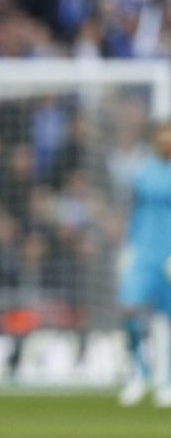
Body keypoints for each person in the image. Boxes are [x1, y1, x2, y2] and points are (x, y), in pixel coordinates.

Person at [117, 122, 171, 408]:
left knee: (168, 318)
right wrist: (128, 246)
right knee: (130, 308)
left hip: (170, 252)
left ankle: (167, 381)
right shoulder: (143, 170)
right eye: (163, 135)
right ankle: (138, 373)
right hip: (142, 251)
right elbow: (132, 207)